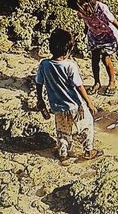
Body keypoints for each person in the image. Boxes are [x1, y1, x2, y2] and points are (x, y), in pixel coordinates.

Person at [34, 28, 103, 164]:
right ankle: (88, 150)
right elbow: (79, 86)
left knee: (63, 131)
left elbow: (38, 82)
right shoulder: (70, 66)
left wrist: (40, 99)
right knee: (86, 126)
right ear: (68, 51)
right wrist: (89, 102)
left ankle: (63, 153)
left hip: (57, 106)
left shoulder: (44, 64)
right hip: (76, 106)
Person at [67, 0, 118, 94]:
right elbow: (85, 20)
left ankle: (112, 81)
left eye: (77, 9)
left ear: (85, 4)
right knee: (94, 60)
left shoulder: (102, 8)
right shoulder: (81, 10)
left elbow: (115, 22)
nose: (77, 12)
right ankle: (97, 82)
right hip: (94, 36)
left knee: (105, 58)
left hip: (108, 36)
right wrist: (86, 29)